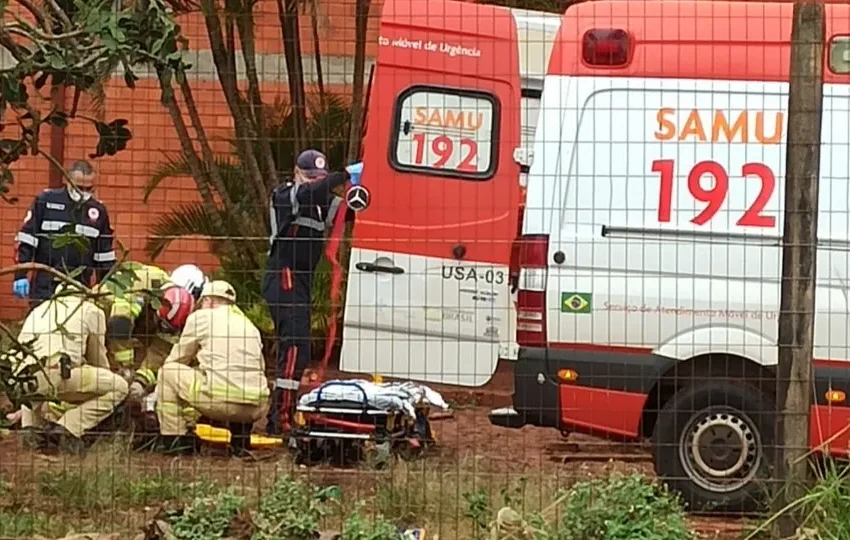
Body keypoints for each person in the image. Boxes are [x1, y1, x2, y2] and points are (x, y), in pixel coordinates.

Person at [262, 149, 363, 434]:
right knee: (294, 346)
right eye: (309, 177)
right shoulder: (286, 195)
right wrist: (344, 174)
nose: (313, 182)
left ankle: (283, 413)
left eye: (317, 178)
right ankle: (279, 420)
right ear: (297, 173)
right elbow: (310, 193)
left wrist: (366, 187)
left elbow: (349, 212)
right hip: (284, 276)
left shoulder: (321, 203)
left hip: (301, 281)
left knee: (299, 350)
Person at [9, 283, 129, 454]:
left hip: (19, 378)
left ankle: (31, 430)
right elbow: (98, 360)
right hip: (55, 373)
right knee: (119, 387)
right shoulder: (91, 310)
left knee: (32, 370)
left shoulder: (40, 308)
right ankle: (68, 428)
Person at [155, 281, 269, 455]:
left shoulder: (201, 317)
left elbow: (179, 358)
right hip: (255, 408)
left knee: (169, 371)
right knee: (238, 378)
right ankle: (240, 442)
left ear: (207, 300)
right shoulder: (249, 325)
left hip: (220, 404)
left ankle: (176, 440)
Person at [13, 161, 115, 307]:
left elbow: (104, 255)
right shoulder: (45, 201)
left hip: (80, 286)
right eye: (79, 187)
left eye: (89, 188)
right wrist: (20, 275)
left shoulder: (98, 211)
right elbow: (27, 240)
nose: (83, 193)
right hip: (45, 284)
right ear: (68, 181)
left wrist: (105, 287)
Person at [97, 262, 200, 401]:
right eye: (162, 324)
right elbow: (119, 325)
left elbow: (160, 351)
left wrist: (141, 381)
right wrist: (126, 367)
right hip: (101, 314)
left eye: (168, 329)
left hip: (133, 325)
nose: (163, 330)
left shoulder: (182, 314)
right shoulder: (144, 281)